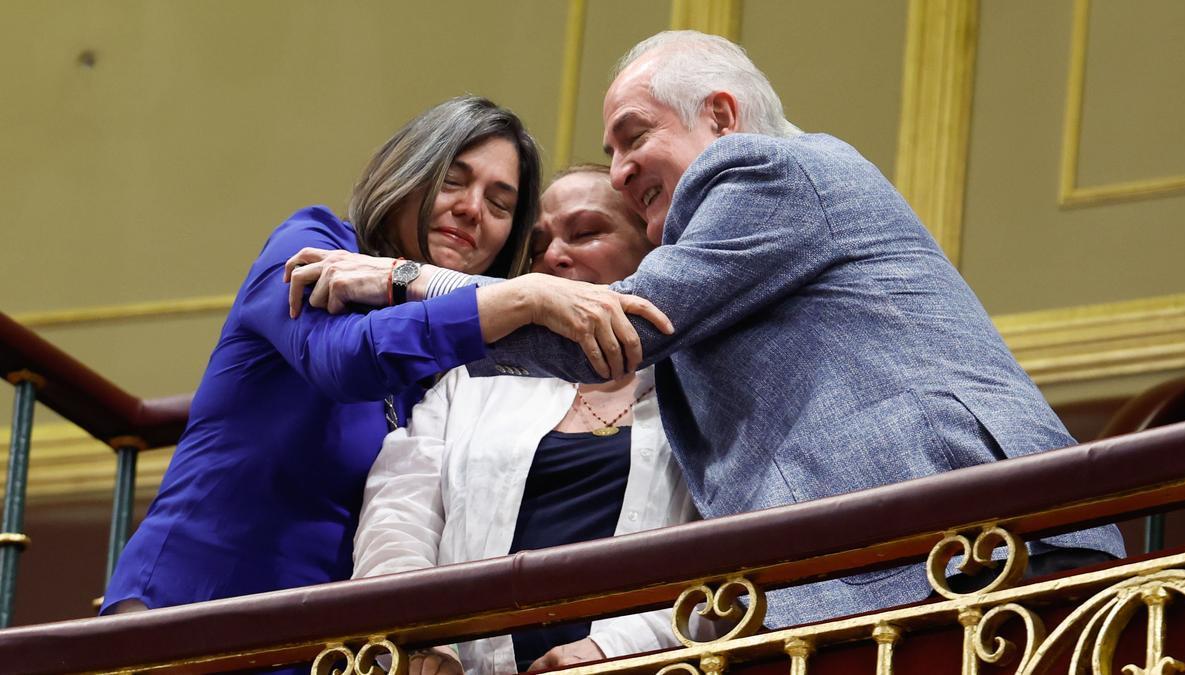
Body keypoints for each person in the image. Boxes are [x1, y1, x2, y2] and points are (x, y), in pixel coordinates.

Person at [295, 32, 1125, 629]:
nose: (620, 170)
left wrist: (405, 278)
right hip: (913, 570)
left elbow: (604, 329)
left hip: (986, 547)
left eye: (634, 136)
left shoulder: (764, 170)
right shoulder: (733, 245)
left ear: (721, 117)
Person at [102, 97, 670, 618]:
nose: (472, 210)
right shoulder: (314, 243)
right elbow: (344, 360)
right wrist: (523, 296)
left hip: (325, 643)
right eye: (451, 181)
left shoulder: (469, 369)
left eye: (500, 204)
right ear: (404, 177)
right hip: (189, 607)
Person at [353, 165, 697, 675]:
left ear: (653, 251)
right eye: (537, 248)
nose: (553, 258)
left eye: (585, 233)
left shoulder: (702, 389)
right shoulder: (472, 381)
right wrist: (418, 638)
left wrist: (619, 650)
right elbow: (398, 515)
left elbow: (737, 562)